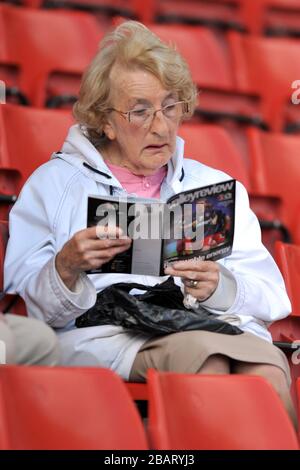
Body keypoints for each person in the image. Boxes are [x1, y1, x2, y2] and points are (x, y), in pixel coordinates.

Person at [4, 21, 296, 425]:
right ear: (105, 120)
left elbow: (272, 297)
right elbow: (29, 309)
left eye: (170, 107)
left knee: (267, 370)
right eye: (140, 111)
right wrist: (66, 267)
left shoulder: (213, 186)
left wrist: (219, 287)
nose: (161, 127)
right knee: (208, 361)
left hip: (202, 323)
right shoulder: (55, 185)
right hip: (109, 335)